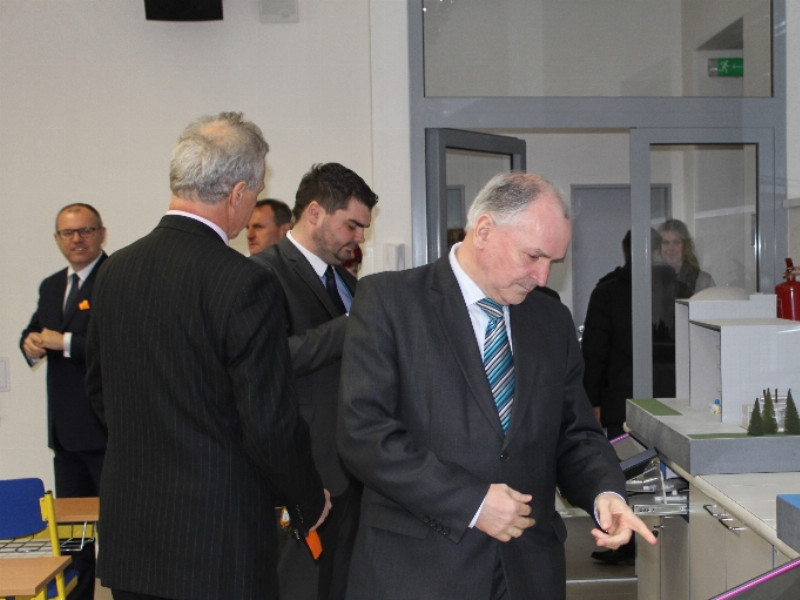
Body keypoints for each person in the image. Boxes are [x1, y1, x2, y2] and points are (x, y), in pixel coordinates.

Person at [337, 172, 657, 600]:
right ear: (485, 231)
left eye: (553, 262)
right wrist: (471, 502)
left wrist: (606, 493)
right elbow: (365, 435)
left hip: (528, 572)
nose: (542, 277)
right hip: (420, 572)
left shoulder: (550, 320)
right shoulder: (390, 302)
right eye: (533, 256)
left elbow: (575, 434)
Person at [85, 112, 330, 600]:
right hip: (215, 545)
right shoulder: (244, 282)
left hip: (133, 538)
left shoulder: (114, 272)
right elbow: (268, 421)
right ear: (237, 193)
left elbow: (98, 393)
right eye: (255, 192)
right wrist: (306, 500)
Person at [251, 162, 378, 600]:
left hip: (351, 465)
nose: (359, 238)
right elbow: (271, 359)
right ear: (314, 213)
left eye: (363, 228)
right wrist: (351, 325)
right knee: (298, 588)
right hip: (303, 468)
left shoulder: (345, 281)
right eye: (352, 225)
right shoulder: (263, 274)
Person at [581, 229, 690, 565]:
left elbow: (594, 351)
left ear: (627, 252)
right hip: (673, 398)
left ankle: (628, 542)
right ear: (656, 251)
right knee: (668, 473)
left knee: (626, 470)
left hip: (621, 399)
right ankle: (662, 541)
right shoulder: (679, 289)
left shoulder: (607, 292)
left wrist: (592, 401)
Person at [20, 202, 108, 600]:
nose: (77, 239)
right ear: (57, 239)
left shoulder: (114, 278)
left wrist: (67, 342)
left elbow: (120, 346)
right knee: (74, 536)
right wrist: (29, 343)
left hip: (106, 430)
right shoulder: (53, 285)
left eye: (85, 230)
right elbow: (36, 329)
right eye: (68, 233)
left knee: (118, 528)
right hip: (65, 433)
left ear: (101, 233)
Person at [658, 218, 715, 295]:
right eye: (665, 242)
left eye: (676, 242)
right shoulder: (651, 280)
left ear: (685, 246)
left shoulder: (703, 281)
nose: (671, 248)